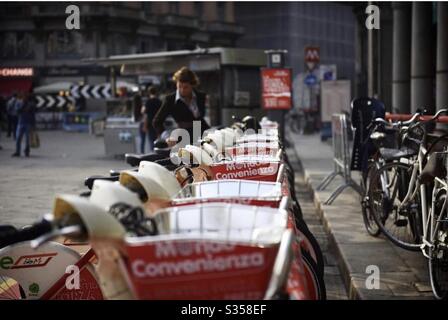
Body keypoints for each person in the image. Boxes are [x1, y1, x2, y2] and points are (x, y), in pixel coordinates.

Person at [152, 67, 210, 146]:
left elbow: (200, 118)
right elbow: (157, 121)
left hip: (201, 133)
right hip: (183, 137)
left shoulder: (200, 96)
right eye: (179, 86)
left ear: (192, 85)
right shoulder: (170, 99)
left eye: (186, 87)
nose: (182, 90)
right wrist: (167, 137)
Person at [12, 93, 36, 157]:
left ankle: (27, 151)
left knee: (27, 139)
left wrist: (33, 125)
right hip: (21, 123)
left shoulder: (31, 104)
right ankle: (17, 151)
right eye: (23, 97)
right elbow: (17, 111)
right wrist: (23, 105)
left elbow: (33, 114)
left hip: (28, 123)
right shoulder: (19, 103)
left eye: (26, 97)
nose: (24, 98)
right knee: (18, 138)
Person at [140, 86, 162, 153]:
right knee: (157, 140)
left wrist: (145, 125)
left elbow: (145, 114)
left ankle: (153, 154)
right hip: (158, 123)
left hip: (150, 123)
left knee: (151, 141)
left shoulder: (148, 101)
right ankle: (157, 153)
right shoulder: (159, 101)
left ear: (149, 93)